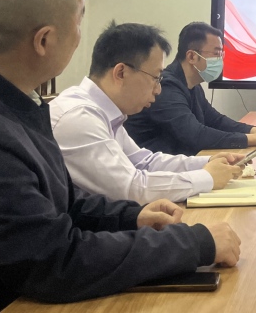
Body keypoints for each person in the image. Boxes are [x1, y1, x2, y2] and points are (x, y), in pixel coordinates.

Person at [0, 0, 240, 313]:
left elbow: (59, 200)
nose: (79, 38)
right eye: (78, 21)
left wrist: (130, 217)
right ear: (44, 40)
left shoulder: (2, 96)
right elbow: (56, 261)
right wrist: (194, 244)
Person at [50, 21, 245, 204]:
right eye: (156, 78)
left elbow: (145, 162)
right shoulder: (79, 117)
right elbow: (132, 189)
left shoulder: (106, 113)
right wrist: (207, 177)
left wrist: (207, 162)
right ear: (121, 73)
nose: (158, 90)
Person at [126, 21, 256, 156]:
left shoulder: (192, 85)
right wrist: (254, 139)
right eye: (216, 54)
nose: (220, 60)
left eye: (221, 54)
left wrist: (255, 131)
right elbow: (195, 135)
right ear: (192, 56)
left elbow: (215, 120)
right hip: (154, 171)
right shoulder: (167, 87)